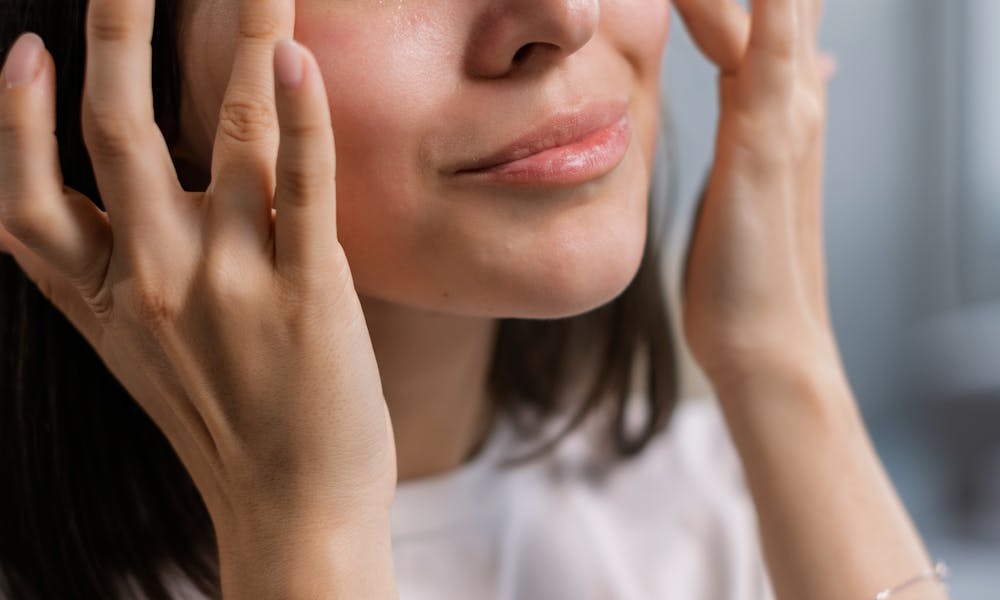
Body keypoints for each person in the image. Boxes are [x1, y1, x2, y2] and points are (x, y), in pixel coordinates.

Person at [0, 0, 950, 598]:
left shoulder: (721, 510)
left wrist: (783, 362)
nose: (562, 18)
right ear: (118, 79)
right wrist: (305, 533)